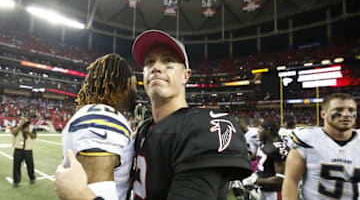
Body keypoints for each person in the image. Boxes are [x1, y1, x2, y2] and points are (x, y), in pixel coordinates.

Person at [55, 30, 252, 200]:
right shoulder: (144, 131)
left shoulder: (202, 128)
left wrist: (80, 195)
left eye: (168, 61)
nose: (156, 68)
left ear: (186, 75)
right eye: (149, 63)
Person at [55, 53, 137, 200]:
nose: (136, 92)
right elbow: (95, 191)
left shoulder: (92, 114)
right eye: (134, 85)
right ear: (122, 88)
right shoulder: (104, 120)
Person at [282, 93, 359, 200]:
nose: (346, 114)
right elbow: (291, 180)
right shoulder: (308, 140)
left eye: (351, 110)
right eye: (339, 110)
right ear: (323, 114)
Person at [242, 119, 289, 200]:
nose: (258, 132)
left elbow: (280, 179)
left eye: (260, 129)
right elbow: (256, 157)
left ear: (268, 131)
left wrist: (256, 180)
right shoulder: (264, 143)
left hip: (275, 192)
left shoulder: (277, 148)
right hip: (263, 189)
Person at [12, 117, 37, 187]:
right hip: (18, 149)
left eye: (27, 123)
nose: (26, 124)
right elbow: (13, 132)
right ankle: (16, 181)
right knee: (16, 166)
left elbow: (34, 136)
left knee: (30, 165)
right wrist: (20, 126)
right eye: (24, 123)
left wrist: (28, 131)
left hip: (28, 149)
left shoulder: (31, 127)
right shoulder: (17, 126)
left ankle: (32, 178)